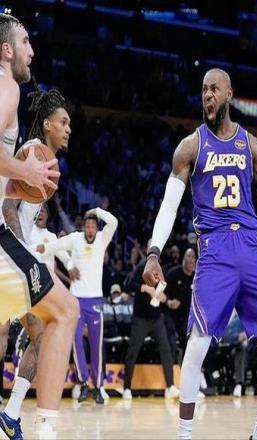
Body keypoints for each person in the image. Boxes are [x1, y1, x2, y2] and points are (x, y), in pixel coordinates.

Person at [143, 68, 257, 440]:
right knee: (198, 342)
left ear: (229, 93)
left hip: (251, 245)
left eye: (214, 89)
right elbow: (169, 205)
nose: (207, 96)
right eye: (203, 90)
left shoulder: (251, 144)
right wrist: (154, 251)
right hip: (215, 248)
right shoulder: (191, 146)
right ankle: (184, 434)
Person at [0, 14, 80, 440]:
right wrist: (25, 174)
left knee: (46, 329)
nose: (68, 129)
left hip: (15, 251)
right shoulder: (33, 148)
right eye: (26, 42)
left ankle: (12, 414)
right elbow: (10, 207)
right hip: (8, 246)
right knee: (62, 316)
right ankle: (34, 424)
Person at [37, 207, 118, 404]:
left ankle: (98, 386)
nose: (90, 230)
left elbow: (113, 222)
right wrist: (41, 248)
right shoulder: (75, 239)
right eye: (87, 226)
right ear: (83, 228)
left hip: (95, 300)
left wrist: (97, 210)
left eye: (93, 227)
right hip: (76, 300)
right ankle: (83, 383)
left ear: (96, 229)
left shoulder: (102, 239)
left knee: (97, 345)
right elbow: (56, 246)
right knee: (76, 342)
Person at [122, 251, 179, 400]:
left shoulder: (161, 269)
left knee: (166, 348)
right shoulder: (142, 267)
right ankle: (126, 387)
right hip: (140, 318)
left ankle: (170, 386)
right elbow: (128, 285)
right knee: (133, 351)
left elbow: (162, 292)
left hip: (156, 317)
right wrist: (145, 288)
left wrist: (164, 298)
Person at [164, 248, 197, 357]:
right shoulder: (173, 274)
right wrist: (168, 302)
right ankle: (171, 366)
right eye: (188, 256)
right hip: (170, 315)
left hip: (186, 317)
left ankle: (186, 366)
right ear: (183, 259)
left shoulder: (197, 278)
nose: (191, 259)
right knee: (171, 341)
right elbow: (160, 294)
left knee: (192, 341)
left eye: (193, 257)